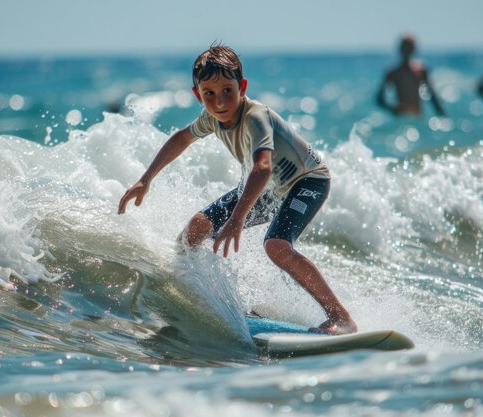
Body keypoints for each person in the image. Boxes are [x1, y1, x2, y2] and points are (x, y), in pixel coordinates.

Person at [118, 44, 357, 335]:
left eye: (227, 91)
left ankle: (340, 317)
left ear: (241, 86)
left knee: (277, 247)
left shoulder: (256, 117)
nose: (219, 102)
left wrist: (238, 218)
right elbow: (181, 138)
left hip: (308, 180)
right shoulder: (212, 118)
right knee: (195, 230)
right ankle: (209, 301)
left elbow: (263, 167)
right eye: (210, 94)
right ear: (198, 95)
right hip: (270, 186)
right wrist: (146, 179)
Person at [377, 35, 446, 117]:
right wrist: (392, 109)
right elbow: (379, 99)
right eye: (405, 47)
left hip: (417, 116)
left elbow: (432, 95)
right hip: (401, 117)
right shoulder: (393, 73)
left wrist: (442, 115)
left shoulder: (421, 71)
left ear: (414, 49)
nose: (407, 50)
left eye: (409, 48)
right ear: (400, 49)